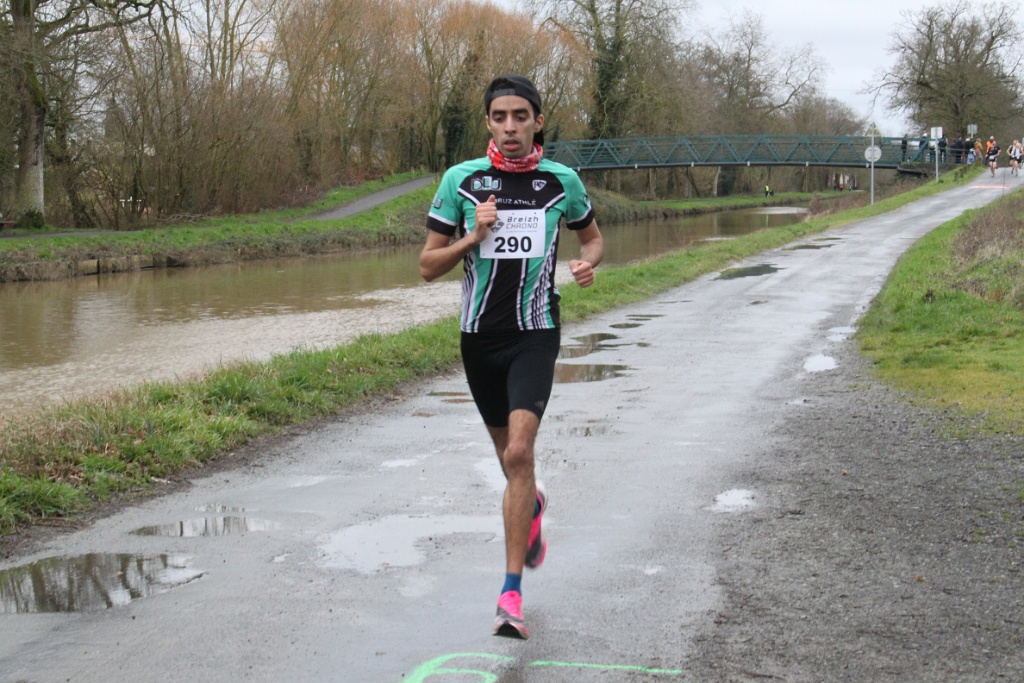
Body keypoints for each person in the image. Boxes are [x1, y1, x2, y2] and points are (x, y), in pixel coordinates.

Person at [419, 74, 604, 640]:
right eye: (499, 117)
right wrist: (472, 237)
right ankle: (533, 508)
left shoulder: (561, 181)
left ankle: (510, 595)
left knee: (521, 452)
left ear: (537, 121)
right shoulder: (462, 181)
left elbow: (592, 237)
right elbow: (427, 266)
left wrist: (587, 262)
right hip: (479, 337)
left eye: (520, 116)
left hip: (535, 331)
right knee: (510, 462)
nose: (510, 126)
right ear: (488, 123)